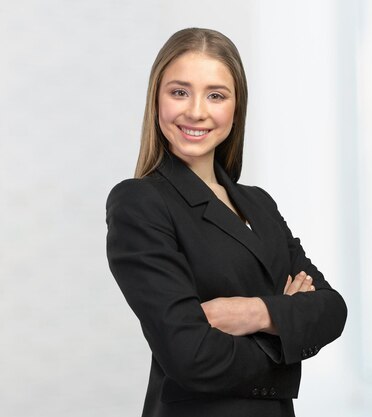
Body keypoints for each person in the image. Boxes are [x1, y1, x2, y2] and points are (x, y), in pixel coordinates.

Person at [105, 28, 347, 417]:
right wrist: (286, 325)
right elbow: (190, 355)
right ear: (156, 99)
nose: (196, 110)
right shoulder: (140, 202)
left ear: (236, 108)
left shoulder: (259, 203)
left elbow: (332, 309)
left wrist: (252, 313)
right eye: (179, 92)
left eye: (215, 95)